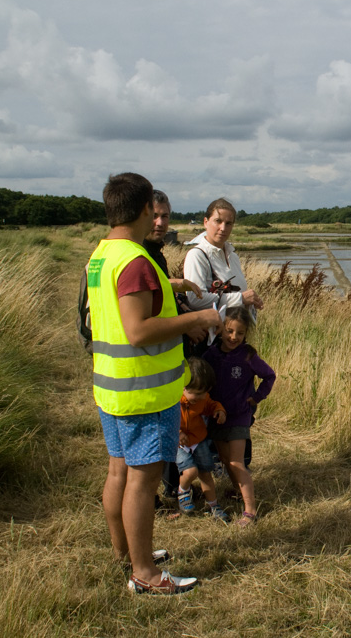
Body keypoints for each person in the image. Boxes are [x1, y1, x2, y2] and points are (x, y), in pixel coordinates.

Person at [85, 172, 221, 594]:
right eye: (155, 210)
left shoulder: (101, 255)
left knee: (118, 473)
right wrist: (198, 317)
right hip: (141, 392)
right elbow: (138, 329)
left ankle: (127, 554)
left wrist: (174, 286)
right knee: (141, 482)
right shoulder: (136, 261)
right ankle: (145, 575)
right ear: (145, 208)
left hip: (112, 386)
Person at [143, 190, 205, 502]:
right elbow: (148, 304)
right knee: (153, 432)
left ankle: (169, 484)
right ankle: (158, 490)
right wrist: (189, 319)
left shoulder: (156, 252)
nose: (160, 222)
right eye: (154, 215)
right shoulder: (138, 255)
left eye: (165, 216)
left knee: (166, 426)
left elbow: (163, 299)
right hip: (146, 362)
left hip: (164, 356)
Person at [203, 306, 276, 527]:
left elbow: (269, 376)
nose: (234, 337)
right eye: (229, 331)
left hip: (239, 416)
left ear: (246, 334)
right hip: (216, 416)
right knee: (225, 460)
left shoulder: (248, 355)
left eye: (240, 333)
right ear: (219, 329)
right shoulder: (211, 355)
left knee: (236, 462)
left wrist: (256, 398)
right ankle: (238, 491)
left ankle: (250, 511)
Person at [182, 198, 264, 320]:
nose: (223, 228)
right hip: (213, 334)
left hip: (235, 333)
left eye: (228, 223)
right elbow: (195, 300)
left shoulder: (233, 256)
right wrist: (240, 299)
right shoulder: (197, 255)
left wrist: (251, 302)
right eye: (218, 221)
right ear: (206, 222)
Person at [176, 357, 231, 523]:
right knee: (190, 471)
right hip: (179, 444)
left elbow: (211, 404)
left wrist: (220, 411)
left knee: (206, 474)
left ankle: (213, 506)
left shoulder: (202, 398)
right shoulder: (174, 400)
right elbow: (166, 420)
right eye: (196, 393)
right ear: (183, 386)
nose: (200, 398)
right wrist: (177, 433)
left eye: (203, 394)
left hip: (198, 441)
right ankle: (183, 491)